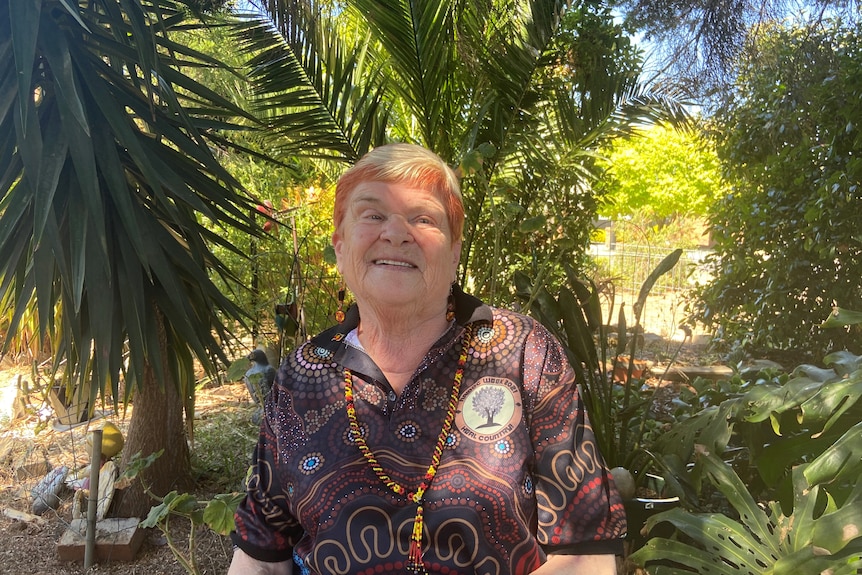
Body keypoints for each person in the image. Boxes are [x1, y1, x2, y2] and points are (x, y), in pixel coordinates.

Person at [228, 143, 627, 575]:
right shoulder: (300, 376)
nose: (397, 233)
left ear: (454, 252)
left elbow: (587, 551)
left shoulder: (523, 351)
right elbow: (262, 555)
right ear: (340, 246)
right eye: (373, 214)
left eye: (423, 218)